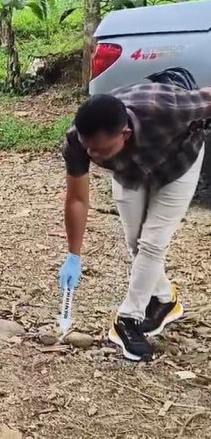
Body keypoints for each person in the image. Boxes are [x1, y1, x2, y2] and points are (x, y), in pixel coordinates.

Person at [58, 82, 211, 361]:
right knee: (135, 243)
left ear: (125, 134)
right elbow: (77, 199)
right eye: (88, 148)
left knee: (153, 243)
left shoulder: (165, 107)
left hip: (179, 165)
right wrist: (73, 255)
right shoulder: (77, 142)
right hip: (130, 173)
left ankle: (128, 319)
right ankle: (165, 299)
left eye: (101, 151)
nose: (93, 156)